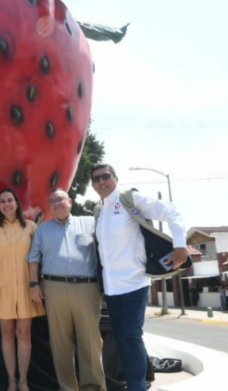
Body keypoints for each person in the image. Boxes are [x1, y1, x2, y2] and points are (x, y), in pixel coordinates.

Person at [90, 164, 188, 391]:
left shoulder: (129, 199)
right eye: (96, 179)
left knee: (131, 337)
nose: (101, 182)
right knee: (122, 340)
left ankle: (137, 387)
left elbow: (170, 210)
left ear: (115, 177)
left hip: (134, 283)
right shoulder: (99, 209)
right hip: (111, 288)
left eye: (105, 176)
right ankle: (136, 383)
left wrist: (180, 245)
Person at [28, 187, 105, 391]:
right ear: (49, 206)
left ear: (70, 201)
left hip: (87, 288)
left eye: (60, 199)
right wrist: (34, 284)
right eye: (52, 201)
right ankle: (67, 388)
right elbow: (33, 258)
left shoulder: (89, 223)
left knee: (90, 341)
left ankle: (93, 387)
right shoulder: (43, 229)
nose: (57, 203)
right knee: (60, 343)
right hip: (53, 288)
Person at [0, 189, 45, 391]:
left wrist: (38, 285)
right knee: (7, 333)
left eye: (10, 200)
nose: (6, 204)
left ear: (17, 203)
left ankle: (23, 381)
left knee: (24, 333)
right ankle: (11, 380)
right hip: (2, 288)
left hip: (27, 288)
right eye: (2, 201)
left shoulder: (30, 227)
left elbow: (39, 257)